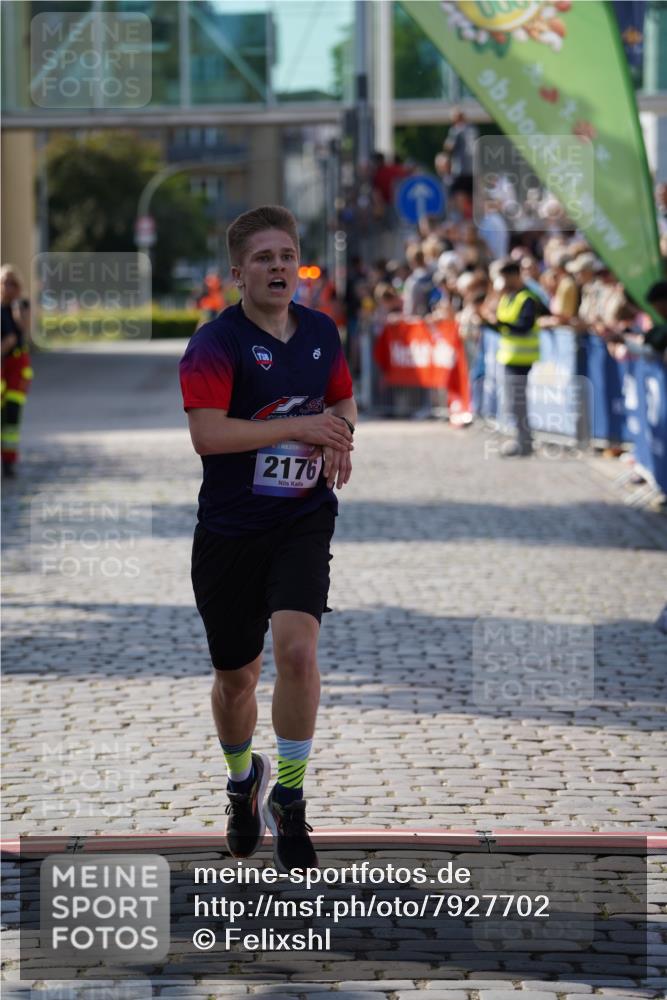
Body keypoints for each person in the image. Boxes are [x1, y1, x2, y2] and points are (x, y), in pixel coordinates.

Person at [179, 206, 357, 874]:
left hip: (301, 518)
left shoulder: (321, 331)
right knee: (235, 679)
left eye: (287, 256)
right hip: (229, 531)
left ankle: (289, 796)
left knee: (298, 651)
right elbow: (208, 435)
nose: (279, 267)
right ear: (238, 273)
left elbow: (341, 400)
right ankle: (241, 779)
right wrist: (300, 428)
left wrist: (339, 435)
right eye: (263, 258)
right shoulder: (214, 343)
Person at [478, 259, 546, 457]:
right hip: (509, 358)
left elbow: (523, 327)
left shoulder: (527, 298)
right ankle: (521, 440)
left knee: (517, 403)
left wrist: (498, 324)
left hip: (522, 359)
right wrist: (488, 322)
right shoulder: (507, 297)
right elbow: (504, 327)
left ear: (514, 276)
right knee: (512, 404)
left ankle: (524, 442)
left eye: (504, 278)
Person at [1, 264, 33, 478]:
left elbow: (22, 331)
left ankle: (9, 461)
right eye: (5, 282)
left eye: (13, 283)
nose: (8, 287)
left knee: (12, 415)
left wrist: (16, 309)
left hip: (16, 365)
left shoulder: (21, 305)